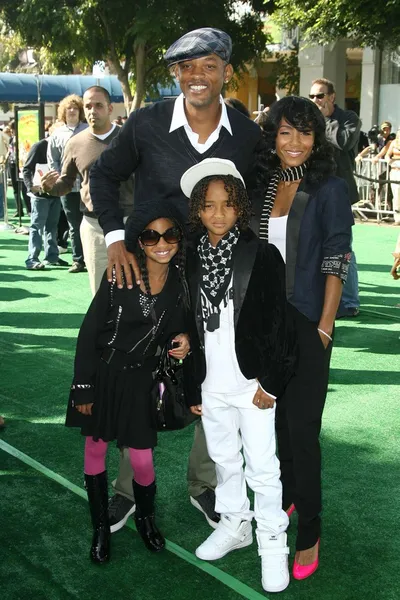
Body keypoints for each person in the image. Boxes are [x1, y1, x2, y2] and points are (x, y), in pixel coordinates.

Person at [88, 28, 265, 533]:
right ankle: (127, 490)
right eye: (187, 67)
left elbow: (255, 204)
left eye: (208, 65)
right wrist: (118, 236)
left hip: (215, 275)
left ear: (227, 72)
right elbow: (102, 175)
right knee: (135, 371)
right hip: (149, 270)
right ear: (176, 74)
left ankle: (204, 484)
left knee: (214, 372)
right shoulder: (145, 124)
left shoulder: (248, 135)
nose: (197, 76)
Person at [181, 158, 295, 593]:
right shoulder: (189, 257)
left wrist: (270, 383)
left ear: (241, 207)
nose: (218, 213)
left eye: (228, 204)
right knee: (225, 460)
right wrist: (193, 384)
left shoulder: (261, 255)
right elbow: (188, 327)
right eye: (208, 205)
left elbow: (279, 326)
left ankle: (272, 542)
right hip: (212, 384)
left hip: (252, 385)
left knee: (263, 468)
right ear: (197, 209)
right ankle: (235, 524)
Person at [255, 96, 353, 580]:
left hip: (309, 320)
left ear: (317, 139)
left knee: (302, 430)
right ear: (271, 137)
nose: (294, 143)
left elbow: (337, 258)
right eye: (284, 132)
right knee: (275, 426)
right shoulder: (266, 185)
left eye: (305, 132)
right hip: (268, 324)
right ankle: (290, 495)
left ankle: (310, 527)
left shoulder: (330, 189)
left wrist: (324, 328)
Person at [65, 200, 194, 564]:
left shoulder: (179, 285)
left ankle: (146, 519)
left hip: (141, 382)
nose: (162, 243)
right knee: (94, 449)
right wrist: (83, 386)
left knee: (142, 459)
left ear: (179, 239)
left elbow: (180, 331)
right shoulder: (118, 275)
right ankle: (100, 529)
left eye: (170, 234)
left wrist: (183, 342)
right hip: (103, 376)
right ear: (140, 241)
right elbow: (89, 332)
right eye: (152, 236)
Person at [41, 86, 134, 294]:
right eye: (88, 106)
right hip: (94, 226)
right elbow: (65, 184)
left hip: (130, 222)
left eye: (98, 105)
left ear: (110, 108)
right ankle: (103, 328)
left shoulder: (130, 138)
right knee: (100, 293)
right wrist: (49, 188)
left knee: (133, 288)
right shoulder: (74, 144)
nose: (93, 111)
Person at [309, 78, 360, 318]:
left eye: (320, 96)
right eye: (312, 97)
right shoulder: (309, 120)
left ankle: (349, 301)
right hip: (314, 191)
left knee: (343, 247)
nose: (315, 101)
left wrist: (324, 120)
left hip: (340, 192)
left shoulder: (349, 119)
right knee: (316, 244)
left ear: (332, 97)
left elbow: (344, 141)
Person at [47, 94, 88, 273]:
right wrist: (59, 180)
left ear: (81, 111)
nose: (72, 111)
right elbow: (52, 159)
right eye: (69, 108)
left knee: (94, 221)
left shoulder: (88, 130)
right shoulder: (57, 135)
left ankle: (94, 256)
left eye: (75, 108)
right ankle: (78, 260)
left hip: (88, 185)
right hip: (68, 187)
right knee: (74, 224)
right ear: (63, 112)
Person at [23, 138, 69, 270]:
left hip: (55, 193)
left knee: (52, 226)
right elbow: (27, 168)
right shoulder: (40, 146)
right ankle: (32, 258)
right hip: (40, 194)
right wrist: (31, 187)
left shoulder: (64, 145)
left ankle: (52, 256)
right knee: (37, 226)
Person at [385, 129, 400, 225]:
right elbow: (387, 155)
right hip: (395, 170)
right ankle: (397, 218)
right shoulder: (394, 143)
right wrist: (389, 161)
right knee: (396, 194)